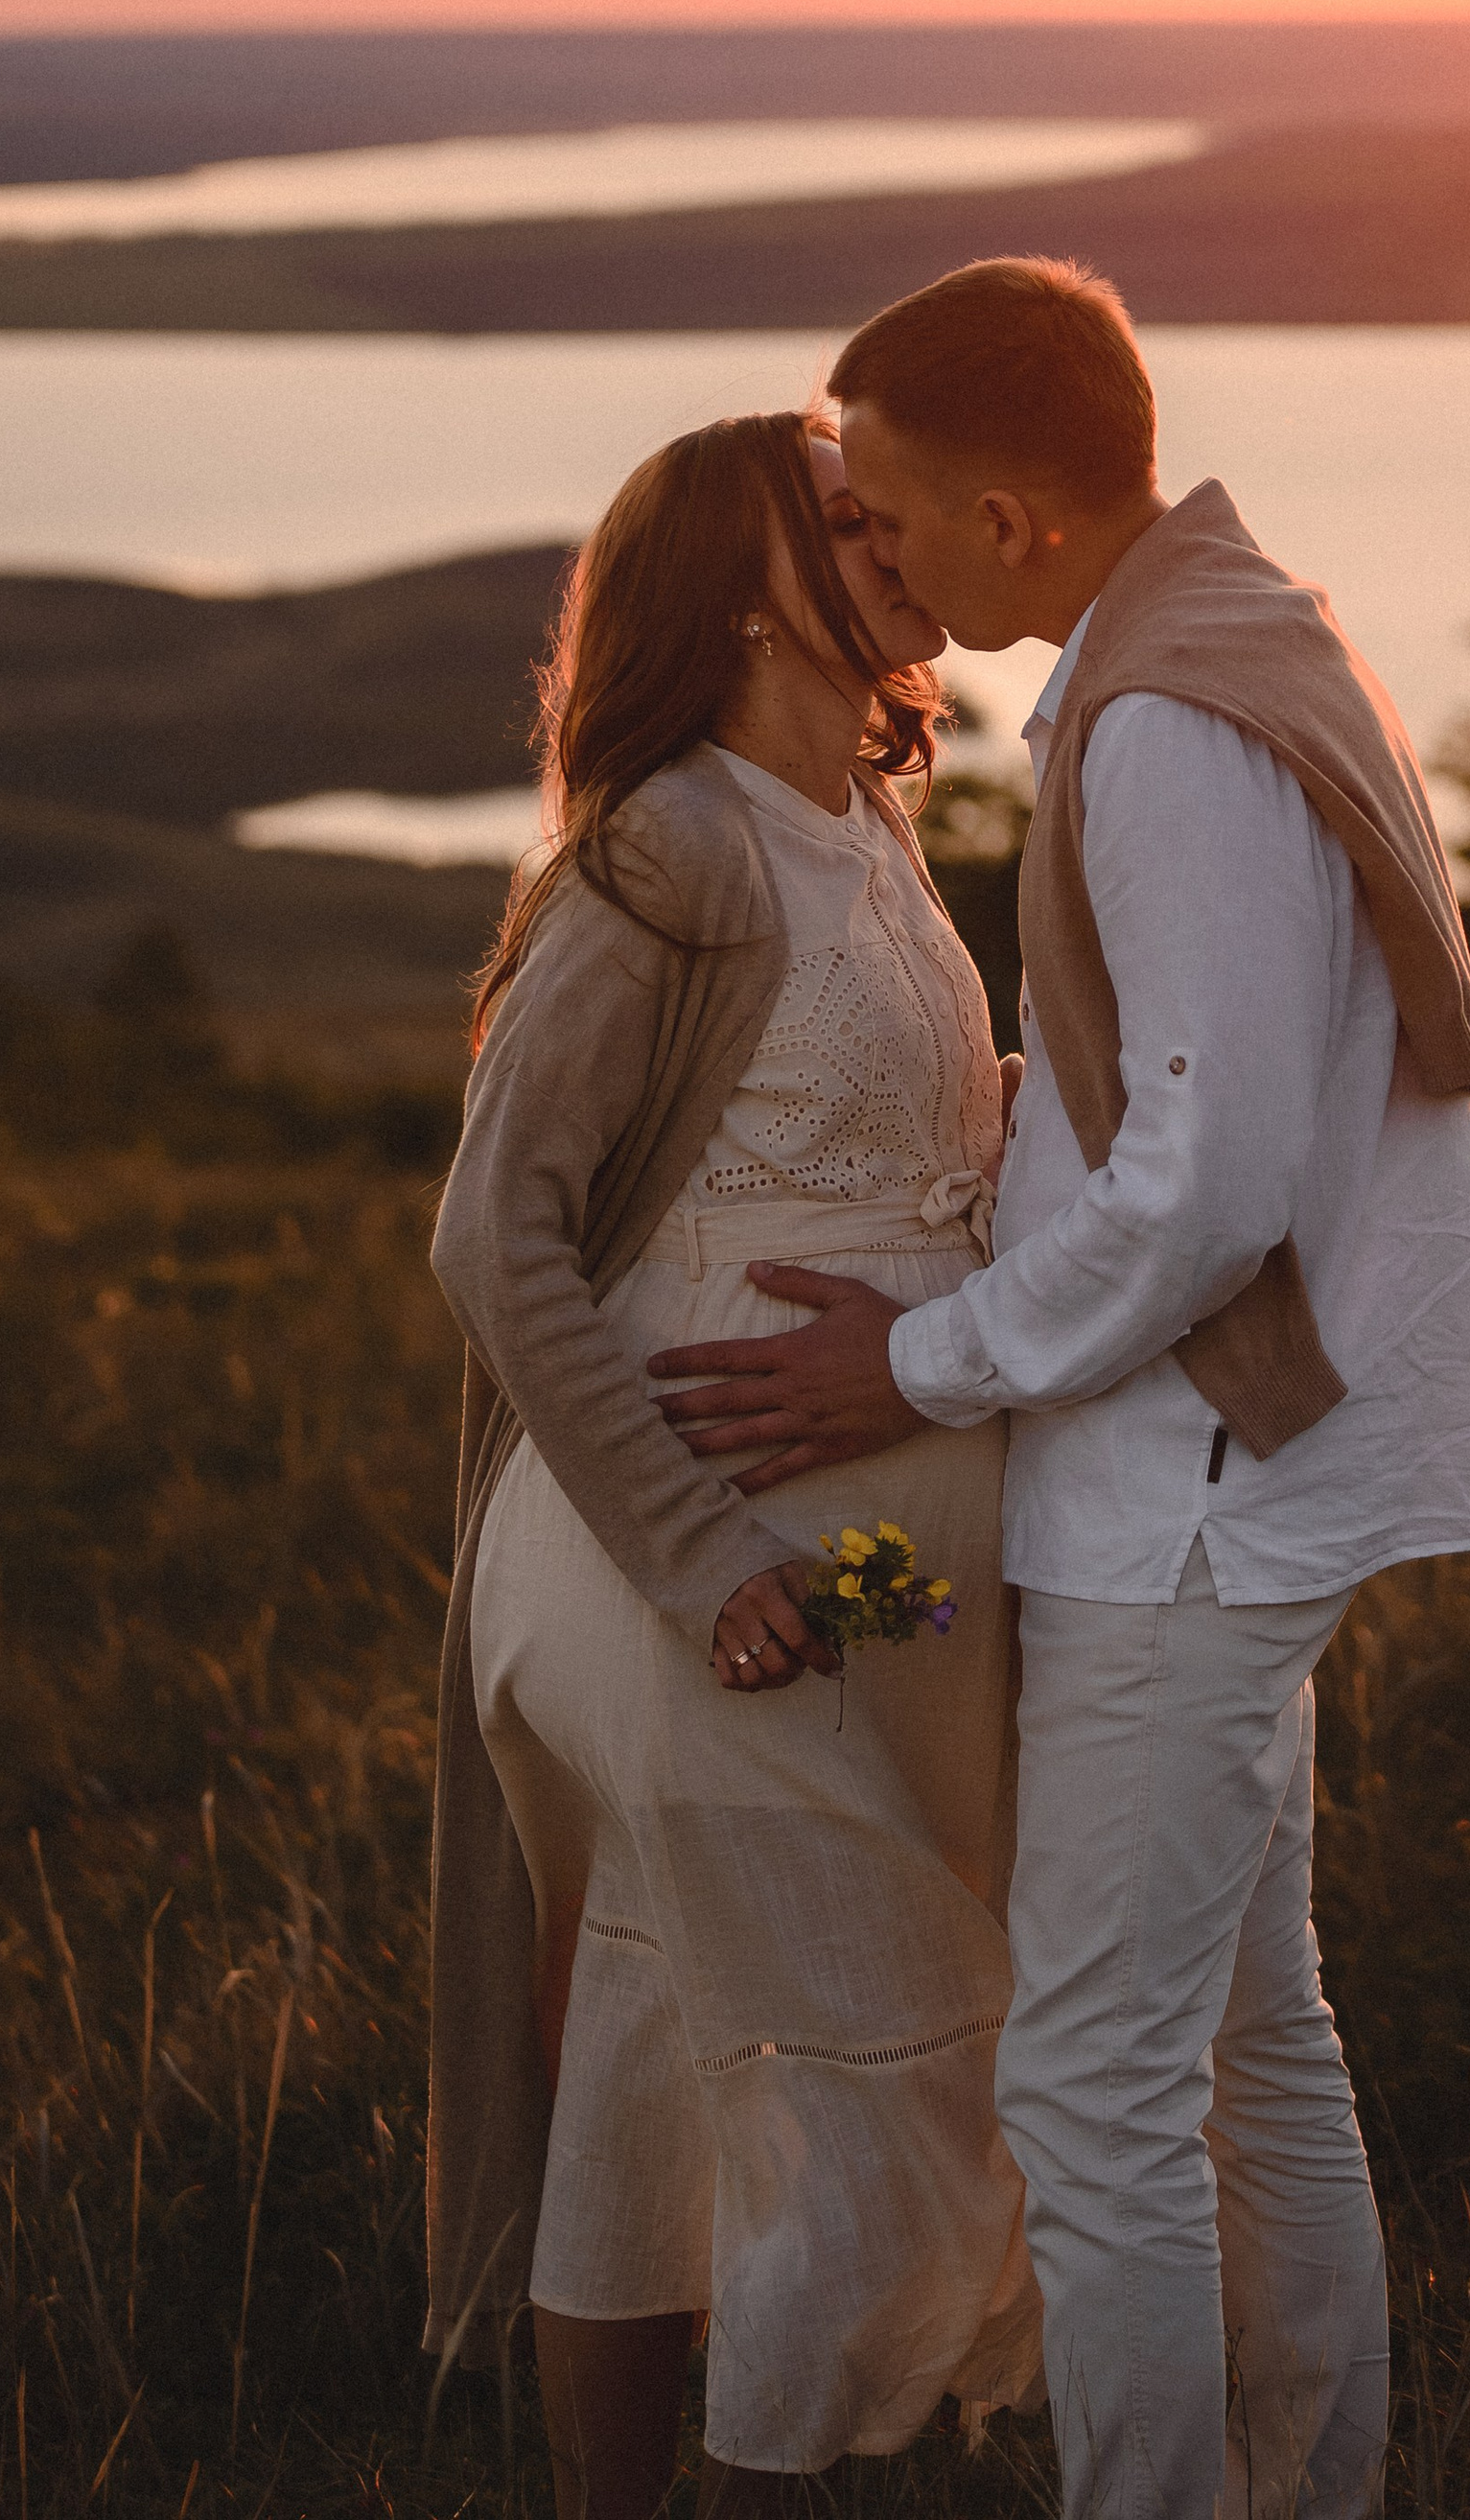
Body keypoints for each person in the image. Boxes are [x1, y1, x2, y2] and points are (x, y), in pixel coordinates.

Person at [651, 260, 1470, 2520]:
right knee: (1243, 2038)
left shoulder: (1162, 726)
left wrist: (909, 1358)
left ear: (1017, 517)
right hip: (1234, 1463)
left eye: (901, 517)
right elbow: (1204, 1095)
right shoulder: (1228, 624)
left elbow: (1205, 1178)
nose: (882, 566)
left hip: (1187, 1487)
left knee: (1096, 2084)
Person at [424, 408, 1039, 2520]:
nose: (888, 536)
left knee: (648, 2058)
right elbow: (490, 1223)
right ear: (746, 579)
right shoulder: (669, 844)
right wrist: (699, 1557)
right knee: (871, 2072)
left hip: (850, 1571)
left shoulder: (856, 823)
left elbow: (896, 1143)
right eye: (838, 512)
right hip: (684, 1573)